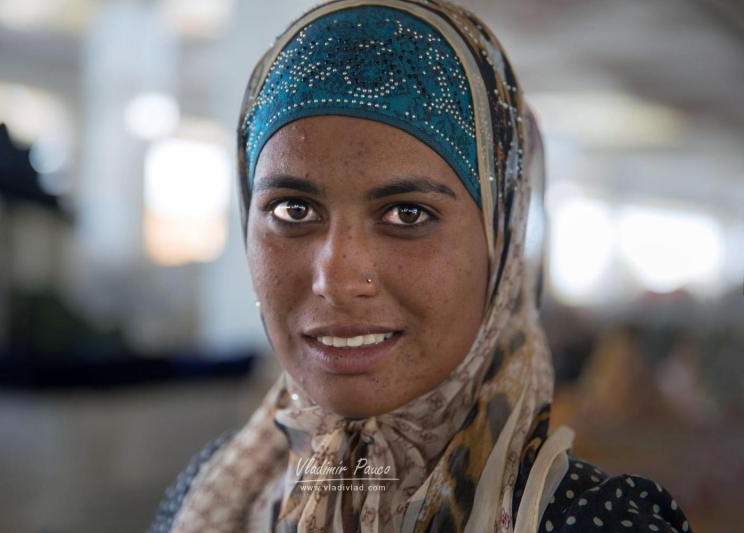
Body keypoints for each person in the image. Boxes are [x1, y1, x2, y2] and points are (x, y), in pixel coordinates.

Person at [152, 1, 692, 531]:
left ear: (500, 247)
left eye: (406, 214)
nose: (336, 280)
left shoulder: (593, 522)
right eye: (294, 209)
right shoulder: (213, 493)